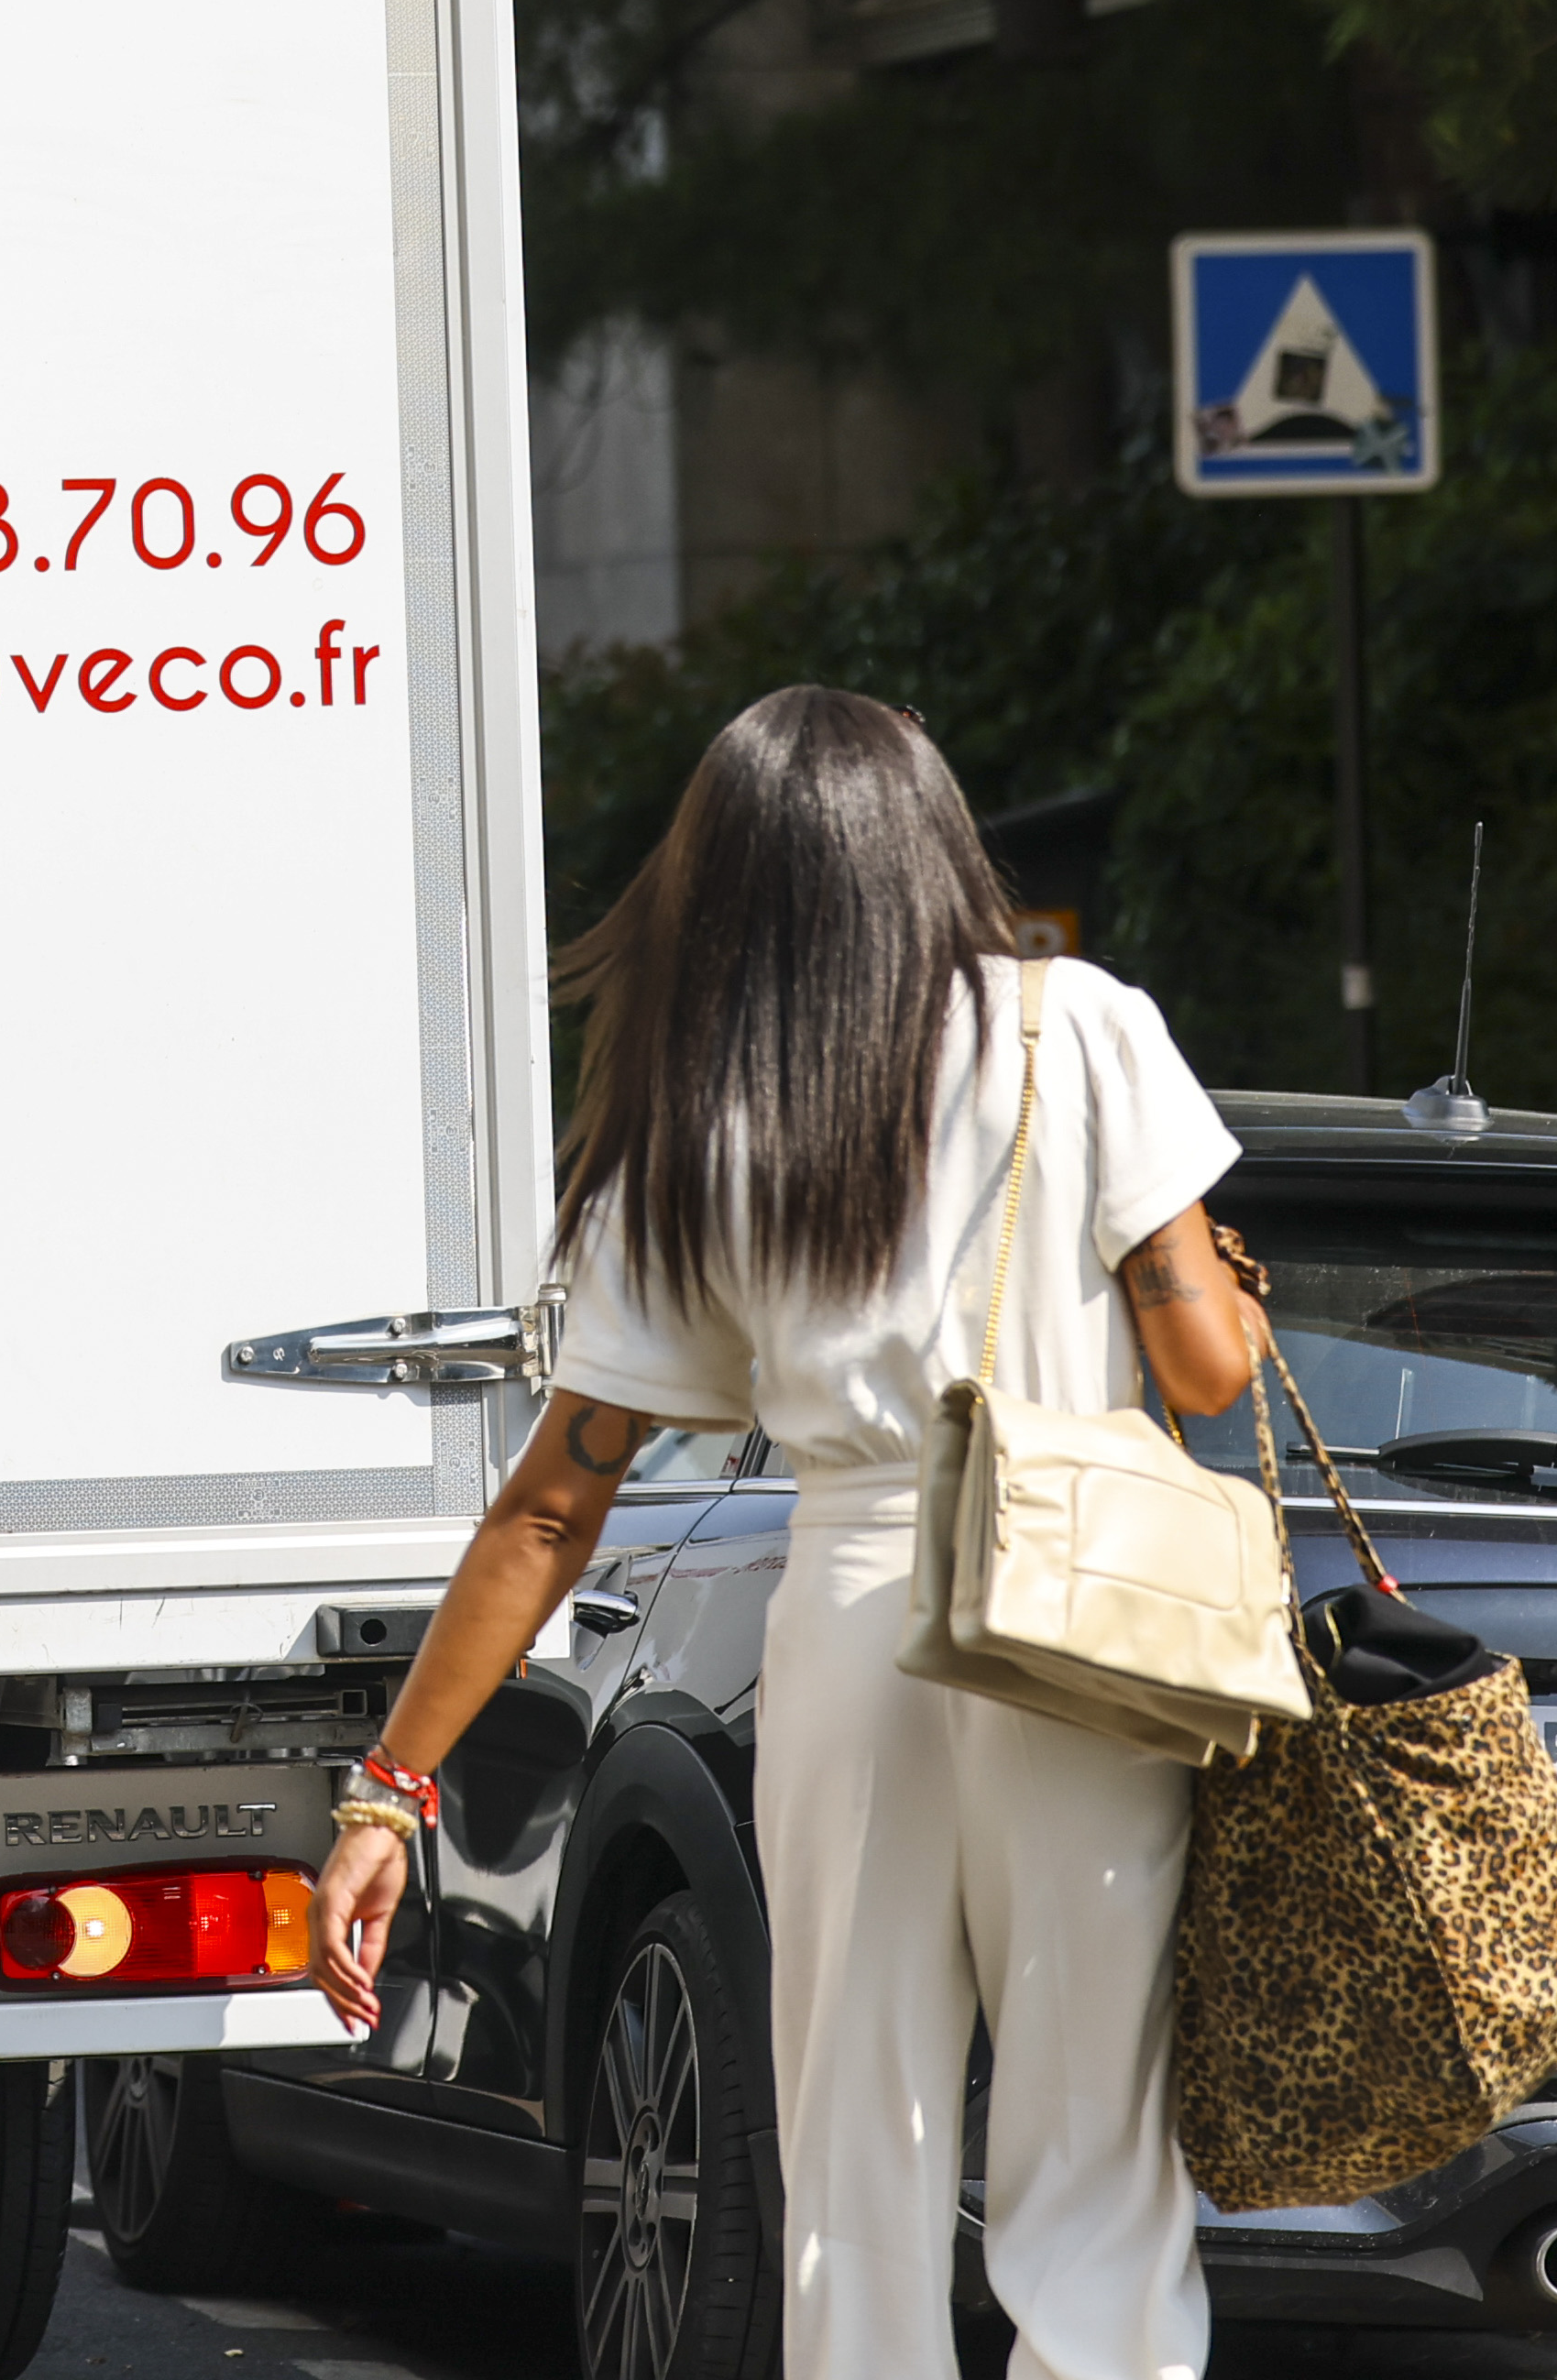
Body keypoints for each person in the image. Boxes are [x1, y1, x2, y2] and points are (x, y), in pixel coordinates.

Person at [302, 685, 1267, 2380]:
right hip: (1078, 1606)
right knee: (1093, 2138)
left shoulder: (702, 1123)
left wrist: (390, 1794)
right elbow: (1208, 1370)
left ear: (728, 879)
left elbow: (554, 1504)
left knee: (852, 2132)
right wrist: (1215, 1278)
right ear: (934, 844)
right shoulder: (1086, 1029)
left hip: (853, 1605)